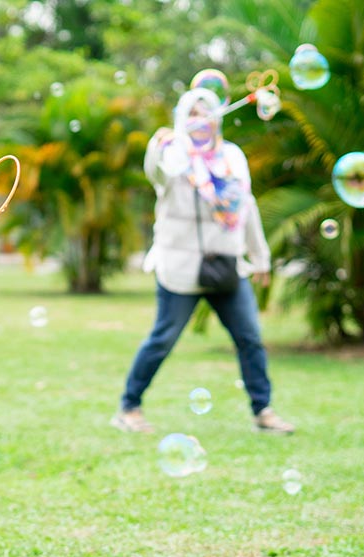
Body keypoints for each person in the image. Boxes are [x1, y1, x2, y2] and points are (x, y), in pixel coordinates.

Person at [111, 88, 295, 435]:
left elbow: (247, 206)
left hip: (227, 265)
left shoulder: (232, 157)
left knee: (250, 338)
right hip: (179, 267)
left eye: (205, 112)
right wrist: (159, 145)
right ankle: (129, 407)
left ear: (217, 118)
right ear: (182, 119)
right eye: (191, 113)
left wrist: (260, 258)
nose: (200, 120)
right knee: (163, 338)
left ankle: (263, 411)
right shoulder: (173, 157)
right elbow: (156, 171)